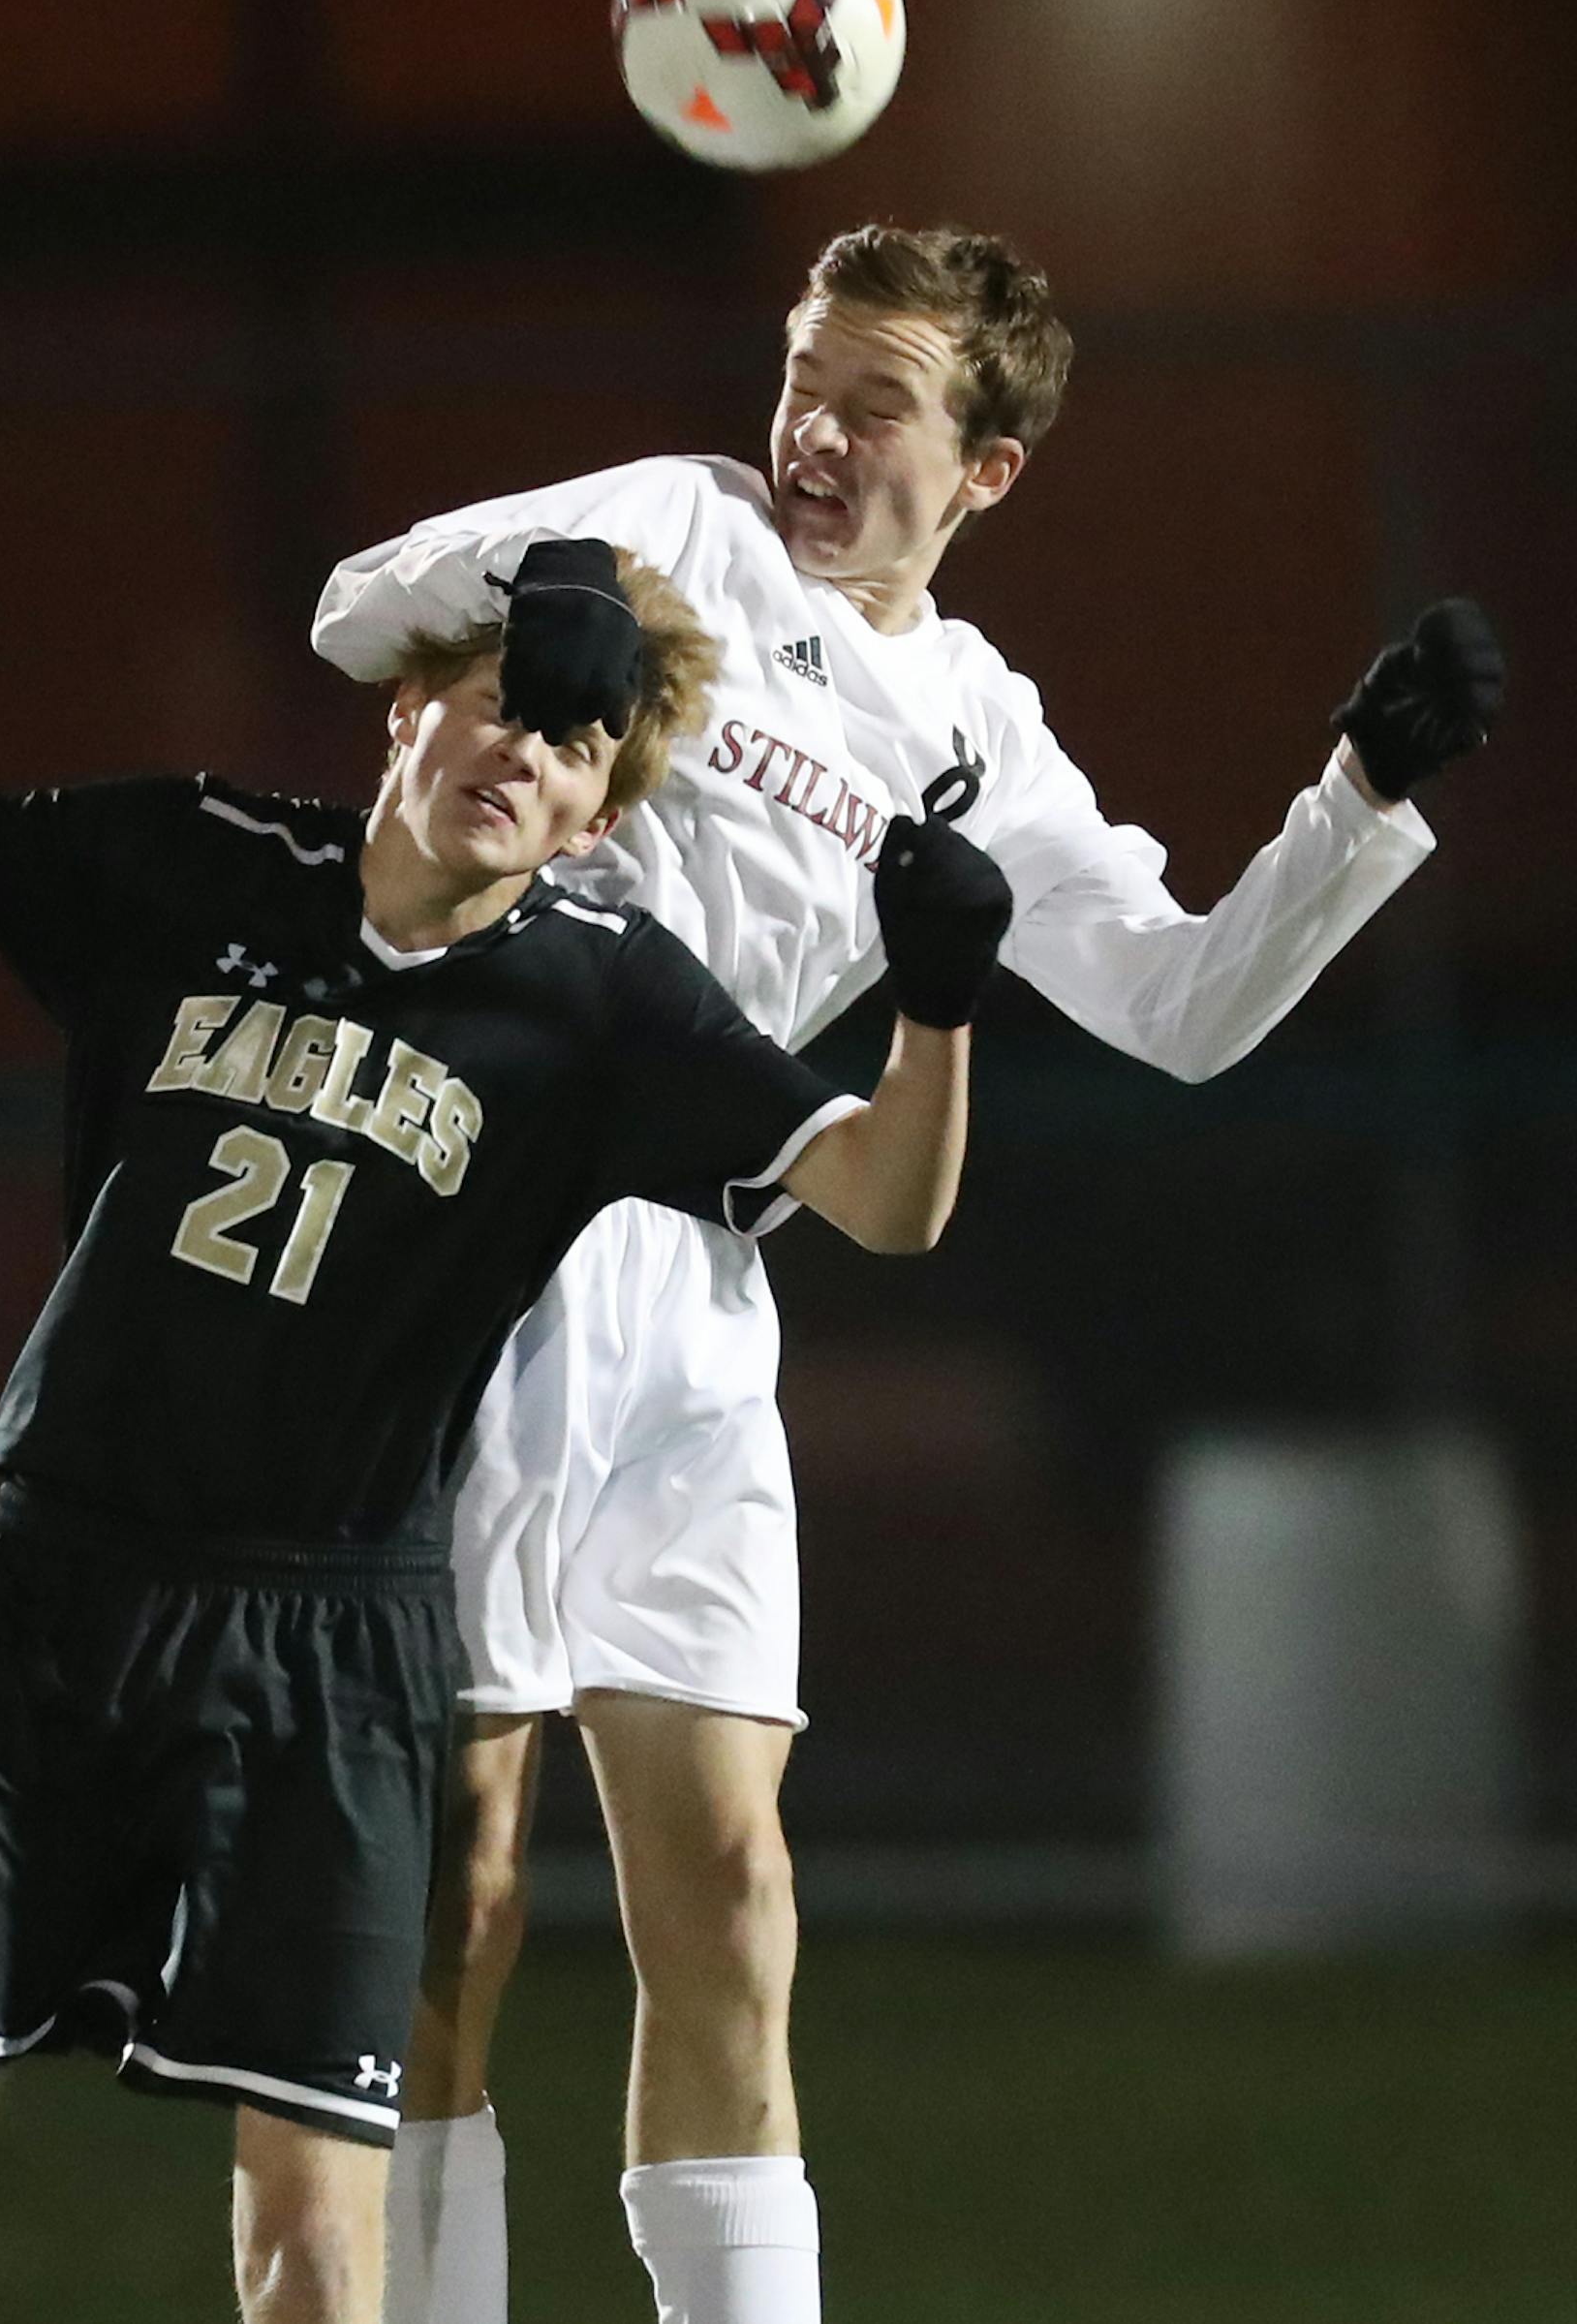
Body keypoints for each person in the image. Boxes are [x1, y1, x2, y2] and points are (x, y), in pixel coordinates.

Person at [0, 543, 1016, 2324]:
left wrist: (936, 1002)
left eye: (575, 742)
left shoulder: (606, 999)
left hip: (334, 1659)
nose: (524, 752)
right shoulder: (196, 860)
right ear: (409, 706)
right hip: (53, 1610)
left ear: (601, 804)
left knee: (311, 2245)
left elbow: (889, 1200)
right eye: (502, 701)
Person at [311, 225, 1506, 2324]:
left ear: (989, 471)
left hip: (699, 1306)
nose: (813, 430)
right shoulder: (672, 518)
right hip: (482, 1240)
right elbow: (353, 609)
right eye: (805, 376)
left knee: (737, 1891)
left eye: (876, 403)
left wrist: (1361, 798)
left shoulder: (967, 723)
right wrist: (534, 597)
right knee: (454, 1898)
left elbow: (1183, 1000)